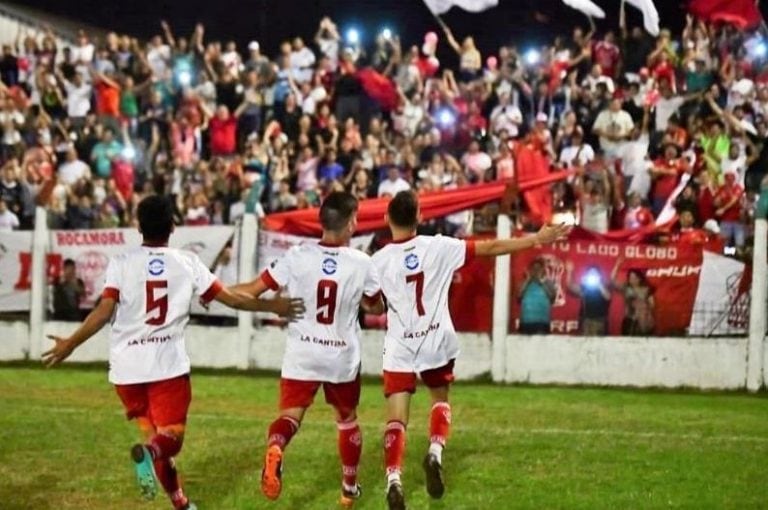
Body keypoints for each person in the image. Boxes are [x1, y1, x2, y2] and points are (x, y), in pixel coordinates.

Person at [42, 195, 304, 510]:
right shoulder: (187, 262)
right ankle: (150, 457)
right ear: (173, 226)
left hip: (127, 371)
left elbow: (103, 310)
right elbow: (232, 300)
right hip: (167, 369)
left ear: (138, 227)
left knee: (155, 437)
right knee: (170, 441)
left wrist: (71, 343)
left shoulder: (122, 263)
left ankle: (181, 503)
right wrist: (272, 305)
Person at [372, 191, 569, 510]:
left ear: (386, 220)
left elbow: (370, 302)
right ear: (419, 217)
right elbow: (491, 247)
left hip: (400, 345)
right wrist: (535, 238)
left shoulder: (378, 261)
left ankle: (394, 479)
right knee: (440, 399)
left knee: (396, 418)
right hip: (435, 338)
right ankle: (435, 453)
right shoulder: (439, 246)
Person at [229, 191, 384, 507]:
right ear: (352, 224)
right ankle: (348, 488)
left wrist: (215, 292)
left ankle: (276, 447)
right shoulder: (362, 263)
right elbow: (375, 307)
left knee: (290, 416)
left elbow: (250, 291)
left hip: (303, 353)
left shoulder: (296, 255)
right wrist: (369, 300)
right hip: (341, 356)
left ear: (321, 221)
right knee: (347, 419)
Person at [610, 258, 655, 336]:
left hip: (642, 321)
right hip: (629, 320)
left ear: (639, 278)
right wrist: (617, 265)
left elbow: (652, 304)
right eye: (630, 277)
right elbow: (612, 280)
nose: (632, 279)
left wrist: (642, 308)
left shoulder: (646, 289)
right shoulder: (626, 288)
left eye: (634, 277)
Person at [565, 262, 611, 335]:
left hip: (599, 322)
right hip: (585, 320)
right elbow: (570, 286)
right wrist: (569, 271)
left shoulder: (603, 287)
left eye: (595, 274)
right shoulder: (585, 287)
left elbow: (608, 297)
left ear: (599, 276)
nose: (592, 276)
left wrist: (598, 284)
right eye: (591, 274)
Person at [518, 258, 556, 333]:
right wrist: (528, 281)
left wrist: (541, 283)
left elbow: (552, 298)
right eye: (534, 268)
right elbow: (519, 296)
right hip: (526, 322)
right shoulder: (524, 283)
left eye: (539, 268)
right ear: (530, 270)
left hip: (542, 322)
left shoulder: (548, 283)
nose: (536, 270)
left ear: (543, 270)